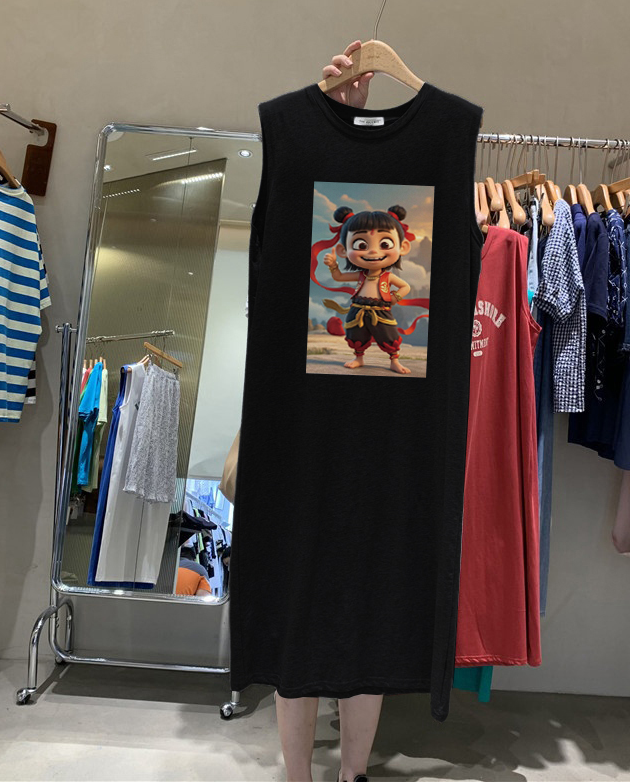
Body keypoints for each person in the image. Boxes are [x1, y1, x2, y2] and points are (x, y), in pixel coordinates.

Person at [274, 41, 383, 782]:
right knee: (300, 618)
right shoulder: (297, 183)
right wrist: (329, 113)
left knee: (362, 622)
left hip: (380, 437)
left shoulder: (399, 247)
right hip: (298, 435)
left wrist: (356, 122)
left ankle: (350, 775)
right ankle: (301, 776)